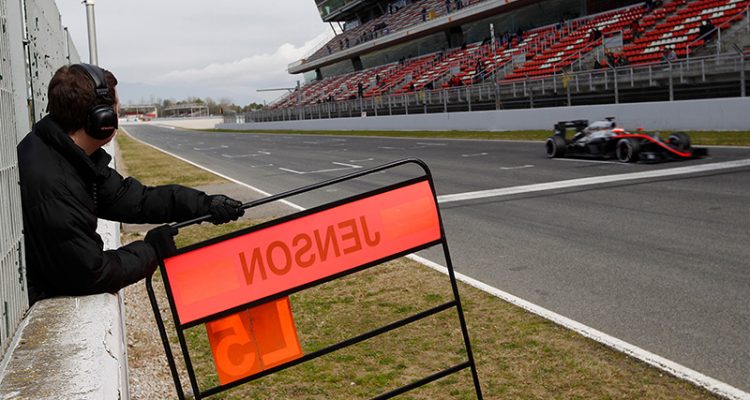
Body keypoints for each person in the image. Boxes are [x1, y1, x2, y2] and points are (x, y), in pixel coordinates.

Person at [17, 64, 245, 304]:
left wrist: (205, 205)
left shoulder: (64, 154)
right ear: (101, 119)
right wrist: (152, 250)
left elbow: (136, 200)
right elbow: (91, 273)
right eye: (115, 109)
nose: (117, 115)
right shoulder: (55, 183)